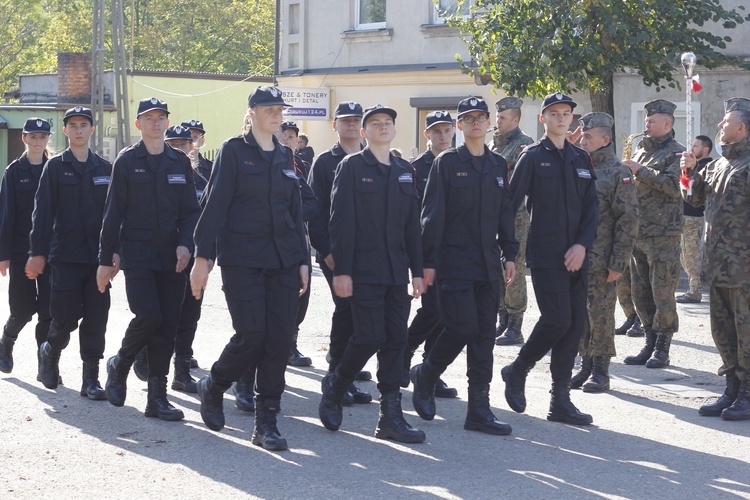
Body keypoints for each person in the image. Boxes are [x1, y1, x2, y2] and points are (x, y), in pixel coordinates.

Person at [191, 86, 309, 451]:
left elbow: (295, 213)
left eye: (279, 109)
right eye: (269, 108)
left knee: (278, 340)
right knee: (251, 335)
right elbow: (215, 206)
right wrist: (201, 259)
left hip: (284, 261)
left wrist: (303, 260)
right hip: (243, 259)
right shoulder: (233, 151)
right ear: (253, 112)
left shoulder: (284, 155)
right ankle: (215, 384)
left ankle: (266, 422)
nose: (276, 114)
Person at [318, 104, 426, 443]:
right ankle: (336, 386)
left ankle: (390, 417)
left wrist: (417, 271)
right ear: (364, 133)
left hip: (395, 271)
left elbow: (413, 226)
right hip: (363, 269)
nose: (383, 127)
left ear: (395, 131)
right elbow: (340, 221)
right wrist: (343, 270)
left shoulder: (404, 169)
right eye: (375, 123)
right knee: (368, 336)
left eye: (388, 123)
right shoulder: (351, 167)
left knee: (396, 339)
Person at [411, 97, 518, 436]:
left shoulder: (498, 164)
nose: (474, 123)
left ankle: (479, 410)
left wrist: (511, 253)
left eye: (480, 117)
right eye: (468, 118)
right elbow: (431, 215)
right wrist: (426, 263)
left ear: (489, 123)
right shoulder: (446, 163)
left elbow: (505, 212)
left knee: (484, 337)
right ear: (460, 126)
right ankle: (427, 373)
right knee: (462, 327)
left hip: (488, 264)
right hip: (453, 263)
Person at [98, 97, 201, 421]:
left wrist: (186, 244)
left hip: (173, 257)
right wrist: (106, 258)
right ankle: (121, 363)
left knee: (167, 325)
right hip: (139, 254)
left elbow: (190, 212)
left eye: (161, 118)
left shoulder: (179, 162)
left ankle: (157, 397)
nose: (156, 123)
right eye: (149, 118)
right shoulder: (127, 162)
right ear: (139, 124)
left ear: (167, 123)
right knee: (149, 316)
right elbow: (112, 213)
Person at [501, 92, 598, 426]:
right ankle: (518, 369)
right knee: (557, 319)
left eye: (566, 113)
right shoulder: (531, 157)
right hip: (545, 253)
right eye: (554, 113)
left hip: (577, 255)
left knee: (573, 325)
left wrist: (582, 246)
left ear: (572, 119)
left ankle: (560, 401)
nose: (560, 118)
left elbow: (591, 208)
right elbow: (511, 205)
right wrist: (508, 251)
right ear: (543, 119)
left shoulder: (581, 158)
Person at [27, 107, 113, 399]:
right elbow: (42, 213)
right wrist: (37, 253)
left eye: (83, 125)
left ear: (91, 129)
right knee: (64, 318)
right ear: (65, 131)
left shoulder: (104, 168)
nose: (78, 130)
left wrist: (115, 253)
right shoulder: (55, 167)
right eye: (73, 125)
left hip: (97, 258)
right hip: (64, 255)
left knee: (97, 317)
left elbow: (115, 216)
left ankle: (91, 379)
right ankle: (50, 351)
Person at [682, 97, 750, 420]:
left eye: (726, 121)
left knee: (746, 331)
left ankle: (748, 392)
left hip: (745, 268)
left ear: (743, 127)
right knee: (722, 332)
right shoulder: (719, 164)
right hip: (718, 266)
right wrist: (689, 172)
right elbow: (695, 200)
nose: (720, 125)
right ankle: (732, 389)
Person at [307, 101, 373, 406]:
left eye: (356, 119)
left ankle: (345, 375)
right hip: (337, 252)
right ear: (335, 125)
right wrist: (326, 251)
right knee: (347, 310)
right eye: (345, 120)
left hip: (369, 252)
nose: (350, 124)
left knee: (361, 313)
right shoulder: (324, 163)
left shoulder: (374, 158)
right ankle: (336, 375)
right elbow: (314, 212)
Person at [571, 112, 639, 392]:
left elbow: (628, 219)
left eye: (588, 136)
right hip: (578, 256)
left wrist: (619, 262)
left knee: (600, 314)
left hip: (602, 258)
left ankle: (601, 369)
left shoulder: (617, 172)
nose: (583, 140)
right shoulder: (579, 166)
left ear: (605, 139)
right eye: (582, 135)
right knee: (580, 313)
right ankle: (585, 363)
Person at [622, 99, 685, 369]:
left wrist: (640, 171)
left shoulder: (677, 154)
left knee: (662, 292)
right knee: (640, 291)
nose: (646, 124)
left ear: (667, 124)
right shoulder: (640, 149)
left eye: (651, 121)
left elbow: (675, 187)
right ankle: (648, 339)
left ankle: (663, 346)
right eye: (646, 120)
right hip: (639, 231)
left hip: (663, 234)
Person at [401, 110, 459, 399]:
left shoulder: (461, 162)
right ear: (427, 135)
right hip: (427, 251)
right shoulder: (414, 169)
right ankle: (407, 349)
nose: (442, 135)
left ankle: (431, 371)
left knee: (448, 313)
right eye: (437, 131)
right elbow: (410, 214)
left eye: (447, 130)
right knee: (434, 310)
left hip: (456, 250)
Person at [0, 118, 53, 375]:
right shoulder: (13, 172)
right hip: (22, 251)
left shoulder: (54, 168)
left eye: (42, 137)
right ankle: (6, 341)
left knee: (48, 311)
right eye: (33, 136)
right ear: (24, 138)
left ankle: (45, 364)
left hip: (52, 251)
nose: (37, 141)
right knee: (22, 310)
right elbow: (6, 215)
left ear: (48, 140)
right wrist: (4, 255)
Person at [490, 97, 534, 346]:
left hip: (515, 217)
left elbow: (516, 179)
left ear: (515, 120)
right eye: (497, 117)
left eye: (503, 118)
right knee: (497, 269)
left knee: (513, 269)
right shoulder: (494, 144)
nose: (498, 121)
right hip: (493, 216)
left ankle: (516, 324)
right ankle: (503, 319)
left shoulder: (523, 145)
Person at [278, 120, 315, 367]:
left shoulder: (300, 166)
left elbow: (312, 202)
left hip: (298, 237)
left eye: (292, 137)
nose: (287, 140)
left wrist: (294, 215)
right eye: (283, 136)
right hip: (272, 241)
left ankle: (291, 344)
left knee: (302, 294)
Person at [677, 134, 712, 304]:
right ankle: (693, 289)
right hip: (683, 215)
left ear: (705, 150)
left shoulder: (707, 166)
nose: (692, 150)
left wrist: (692, 168)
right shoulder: (692, 166)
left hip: (693, 217)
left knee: (692, 256)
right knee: (684, 255)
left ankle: (695, 291)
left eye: (696, 147)